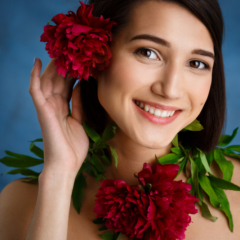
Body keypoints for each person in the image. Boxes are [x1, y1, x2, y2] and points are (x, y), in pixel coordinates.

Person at [0, 0, 240, 239]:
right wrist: (59, 175)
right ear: (93, 54)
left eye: (196, 63)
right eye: (148, 52)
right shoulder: (19, 205)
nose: (171, 89)